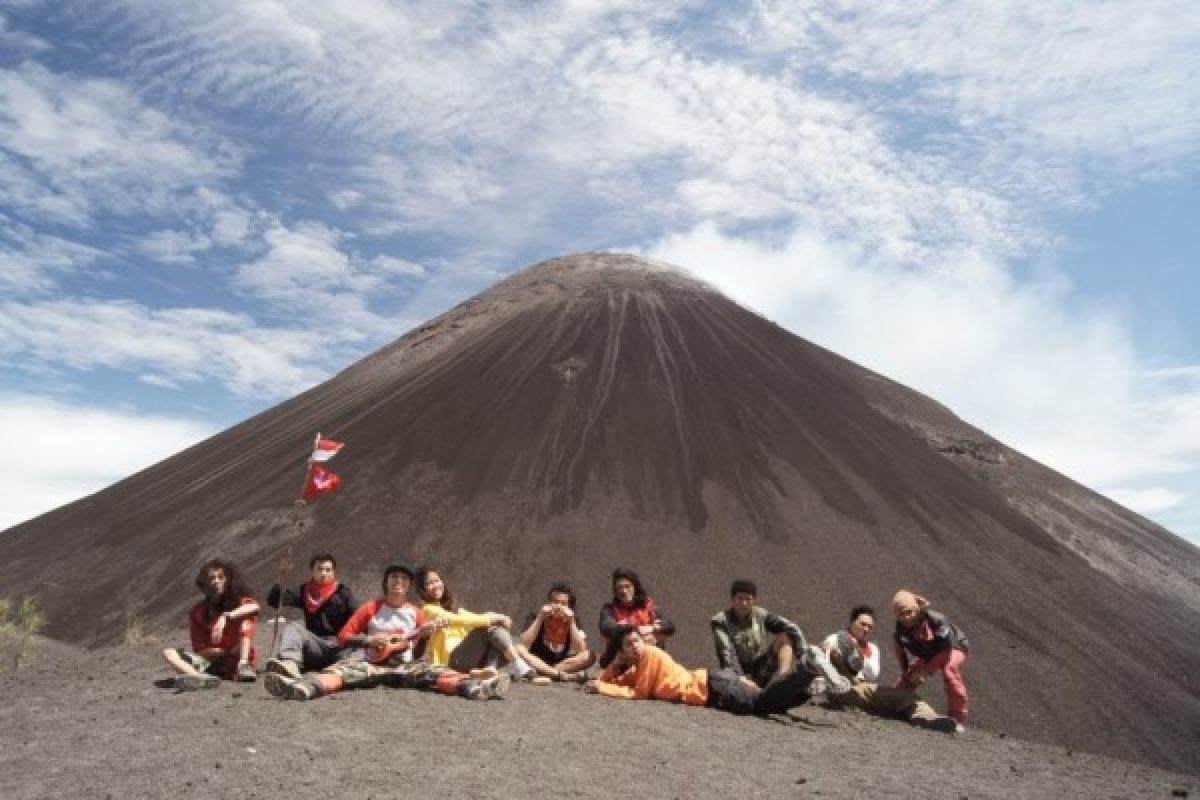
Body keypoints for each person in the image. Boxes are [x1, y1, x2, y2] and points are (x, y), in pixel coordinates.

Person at [263, 565, 508, 702]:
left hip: (403, 666)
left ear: (409, 586)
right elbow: (343, 638)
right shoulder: (371, 607)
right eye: (393, 578)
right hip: (370, 663)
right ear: (386, 583)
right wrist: (369, 639)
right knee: (341, 672)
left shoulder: (417, 612)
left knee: (435, 673)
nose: (398, 581)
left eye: (403, 578)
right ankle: (303, 688)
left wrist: (423, 636)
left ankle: (473, 689)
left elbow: (418, 651)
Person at [586, 624, 844, 716]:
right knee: (773, 705)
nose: (636, 646)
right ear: (623, 650)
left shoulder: (650, 655)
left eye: (636, 640)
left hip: (714, 688)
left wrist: (602, 687)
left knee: (762, 705)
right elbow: (617, 680)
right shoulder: (638, 665)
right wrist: (614, 668)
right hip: (715, 683)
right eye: (629, 644)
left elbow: (638, 693)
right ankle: (807, 687)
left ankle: (808, 667)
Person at [820, 605, 958, 733]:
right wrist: (831, 650)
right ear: (851, 622)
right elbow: (825, 654)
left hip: (860, 689)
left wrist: (860, 656)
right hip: (841, 685)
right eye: (862, 624)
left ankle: (924, 717)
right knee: (833, 653)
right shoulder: (836, 638)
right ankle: (927, 717)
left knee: (903, 696)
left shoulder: (872, 649)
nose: (866, 629)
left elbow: (873, 675)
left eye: (870, 626)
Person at [161, 558, 260, 690]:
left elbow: (254, 607)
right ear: (205, 584)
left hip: (237, 657)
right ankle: (200, 679)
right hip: (212, 661)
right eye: (212, 578)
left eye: (221, 577)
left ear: (228, 580)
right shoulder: (198, 612)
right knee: (169, 653)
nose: (216, 581)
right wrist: (224, 651)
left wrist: (226, 617)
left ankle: (244, 666)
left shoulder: (238, 603)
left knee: (246, 618)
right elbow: (200, 651)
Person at [414, 566, 526, 677]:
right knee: (488, 626)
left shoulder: (451, 607)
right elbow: (460, 620)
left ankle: (490, 669)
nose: (436, 585)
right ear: (422, 589)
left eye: (437, 581)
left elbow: (475, 617)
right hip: (451, 662)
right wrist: (494, 619)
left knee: (496, 629)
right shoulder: (427, 609)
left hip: (469, 659)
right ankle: (518, 665)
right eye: (429, 583)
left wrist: (500, 617)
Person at [263, 552, 358, 678]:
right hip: (314, 646)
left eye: (328, 570)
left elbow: (357, 620)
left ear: (334, 572)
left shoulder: (343, 592)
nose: (323, 573)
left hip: (338, 648)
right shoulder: (305, 591)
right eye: (319, 569)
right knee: (293, 627)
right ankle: (290, 663)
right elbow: (274, 601)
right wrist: (282, 577)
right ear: (312, 571)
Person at [892, 589, 969, 730]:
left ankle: (957, 717)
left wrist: (926, 672)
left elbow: (945, 651)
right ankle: (893, 703)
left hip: (953, 647)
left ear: (917, 610)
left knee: (949, 670)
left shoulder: (937, 621)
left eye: (909, 612)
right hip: (929, 652)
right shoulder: (900, 631)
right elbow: (900, 651)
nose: (906, 618)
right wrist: (906, 671)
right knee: (909, 676)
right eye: (901, 614)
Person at [710, 578, 805, 689]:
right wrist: (742, 678)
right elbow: (727, 654)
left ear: (753, 600)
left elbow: (791, 627)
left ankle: (782, 681)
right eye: (739, 598)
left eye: (748, 599)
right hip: (736, 674)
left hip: (761, 669)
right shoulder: (721, 622)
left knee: (785, 636)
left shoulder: (760, 615)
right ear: (732, 599)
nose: (744, 603)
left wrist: (802, 654)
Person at [514, 582, 595, 682]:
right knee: (518, 649)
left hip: (559, 664)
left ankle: (545, 673)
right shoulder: (534, 617)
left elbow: (581, 650)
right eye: (554, 602)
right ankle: (560, 675)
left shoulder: (574, 622)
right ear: (548, 603)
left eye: (563, 603)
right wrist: (540, 617)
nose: (558, 606)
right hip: (536, 660)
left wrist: (572, 622)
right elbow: (523, 643)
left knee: (589, 655)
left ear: (569, 607)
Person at [597, 568, 674, 667]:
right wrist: (638, 631)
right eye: (619, 588)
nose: (624, 591)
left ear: (635, 587)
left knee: (657, 635)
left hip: (647, 654)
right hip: (620, 658)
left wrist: (652, 628)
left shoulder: (648, 606)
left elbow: (669, 625)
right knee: (631, 637)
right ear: (615, 591)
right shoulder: (609, 609)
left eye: (627, 586)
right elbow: (606, 627)